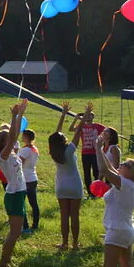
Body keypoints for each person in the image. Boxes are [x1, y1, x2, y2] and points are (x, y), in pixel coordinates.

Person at [0, 102, 29, 267]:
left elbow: (14, 136)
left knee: (15, 232)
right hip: (14, 195)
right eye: (7, 139)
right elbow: (13, 137)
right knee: (15, 233)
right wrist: (15, 116)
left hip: (18, 194)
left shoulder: (13, 153)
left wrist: (18, 115)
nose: (12, 141)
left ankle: (6, 261)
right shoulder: (3, 155)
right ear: (4, 142)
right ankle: (3, 262)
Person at [51, 103, 84, 251]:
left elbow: (55, 135)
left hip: (61, 186)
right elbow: (77, 133)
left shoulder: (54, 152)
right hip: (74, 185)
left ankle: (64, 243)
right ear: (63, 141)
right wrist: (84, 118)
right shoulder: (69, 150)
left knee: (64, 216)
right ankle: (75, 244)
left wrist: (63, 114)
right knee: (74, 215)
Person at [17, 126, 41, 233]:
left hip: (25, 178)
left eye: (23, 136)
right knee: (33, 203)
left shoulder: (26, 150)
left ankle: (25, 226)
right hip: (32, 177)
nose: (22, 138)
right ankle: (35, 225)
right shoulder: (34, 148)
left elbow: (19, 163)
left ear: (27, 137)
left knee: (21, 203)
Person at [78, 106, 106, 190]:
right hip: (85, 153)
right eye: (86, 116)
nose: (88, 117)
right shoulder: (82, 126)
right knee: (86, 173)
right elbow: (71, 129)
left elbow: (108, 131)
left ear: (93, 117)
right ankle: (89, 190)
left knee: (96, 171)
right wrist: (76, 119)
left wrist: (104, 143)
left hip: (95, 153)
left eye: (90, 115)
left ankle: (97, 189)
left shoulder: (98, 126)